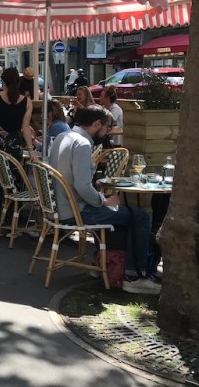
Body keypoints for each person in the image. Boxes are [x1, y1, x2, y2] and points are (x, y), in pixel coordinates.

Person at [49, 105, 160, 294]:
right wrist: (104, 201)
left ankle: (103, 265)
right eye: (108, 128)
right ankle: (133, 276)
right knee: (140, 217)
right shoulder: (82, 144)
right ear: (97, 123)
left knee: (121, 216)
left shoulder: (62, 137)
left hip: (60, 208)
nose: (108, 133)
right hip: (76, 211)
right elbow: (83, 186)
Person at [0, 67, 36, 237]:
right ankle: (11, 223)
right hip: (14, 144)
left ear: (3, 81)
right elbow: (25, 128)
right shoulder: (26, 101)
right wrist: (31, 150)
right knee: (13, 182)